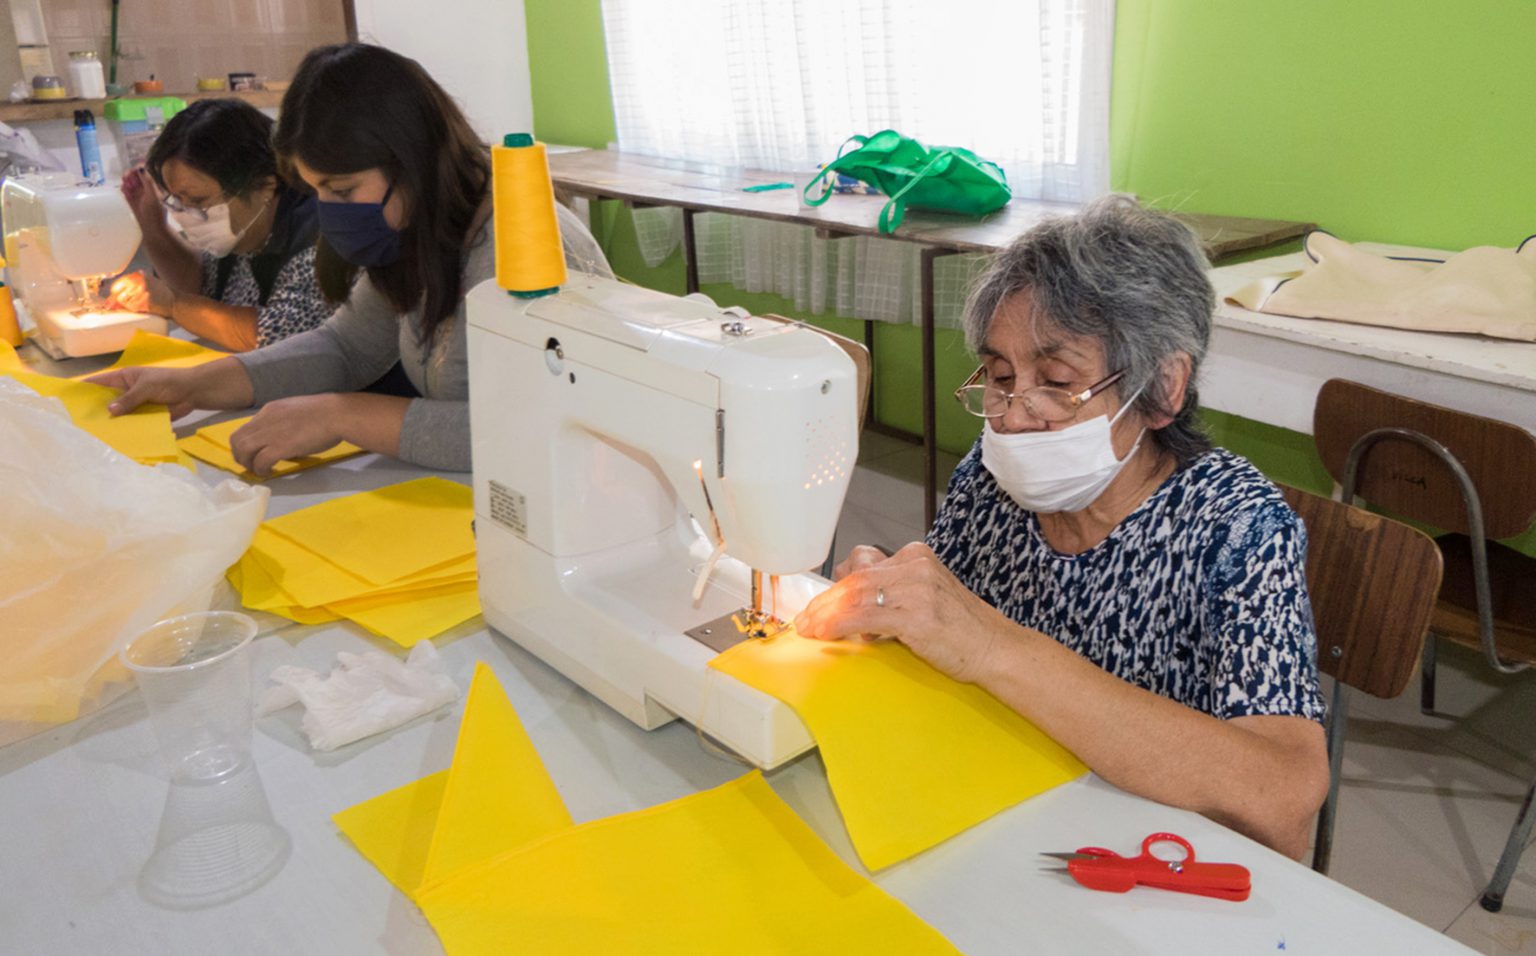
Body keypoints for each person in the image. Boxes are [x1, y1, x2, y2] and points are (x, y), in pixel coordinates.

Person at [793, 196, 1330, 859]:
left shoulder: (1238, 526)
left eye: (1056, 382)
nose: (1013, 416)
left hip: (1142, 855)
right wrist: (893, 599)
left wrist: (993, 646)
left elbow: (1284, 795)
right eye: (998, 377)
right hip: (999, 812)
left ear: (1162, 389)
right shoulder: (993, 481)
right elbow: (946, 621)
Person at [92, 42, 608, 474]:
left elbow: (532, 426)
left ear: (409, 160)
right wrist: (196, 383)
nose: (328, 212)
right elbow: (345, 348)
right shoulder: (413, 231)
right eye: (316, 190)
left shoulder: (520, 245)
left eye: (342, 189)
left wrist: (343, 415)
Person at [109, 97, 330, 351]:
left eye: (198, 201)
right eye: (178, 201)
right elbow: (200, 288)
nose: (188, 214)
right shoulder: (243, 232)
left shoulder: (318, 235)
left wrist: (173, 304)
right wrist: (152, 228)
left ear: (265, 185)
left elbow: (280, 333)